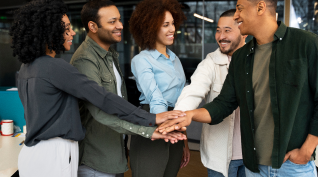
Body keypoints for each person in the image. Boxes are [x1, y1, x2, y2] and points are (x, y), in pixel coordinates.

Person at [158, 0, 318, 176]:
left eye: (239, 8)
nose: (236, 15)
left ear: (260, 7)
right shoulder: (241, 58)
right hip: (254, 167)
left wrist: (306, 151)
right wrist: (189, 115)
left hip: (293, 166)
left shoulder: (305, 43)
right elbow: (223, 104)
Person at [9, 0, 186, 176]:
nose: (72, 33)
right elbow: (103, 100)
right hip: (56, 154)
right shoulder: (57, 67)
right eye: (67, 28)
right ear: (49, 31)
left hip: (35, 152)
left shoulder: (28, 67)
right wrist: (150, 120)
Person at [70, 1, 183, 176]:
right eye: (112, 21)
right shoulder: (85, 60)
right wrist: (148, 129)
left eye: (120, 20)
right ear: (92, 26)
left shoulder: (110, 55)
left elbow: (118, 105)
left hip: (115, 152)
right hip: (97, 160)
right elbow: (100, 112)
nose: (120, 26)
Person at [174, 9, 247, 177]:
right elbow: (193, 91)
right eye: (218, 30)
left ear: (244, 32)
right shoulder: (210, 63)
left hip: (252, 155)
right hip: (220, 157)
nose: (221, 36)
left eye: (227, 30)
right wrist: (179, 116)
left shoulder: (256, 60)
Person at [128, 0, 189, 176]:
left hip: (175, 123)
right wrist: (165, 128)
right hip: (153, 121)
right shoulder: (142, 60)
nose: (172, 29)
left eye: (173, 24)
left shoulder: (174, 58)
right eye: (165, 25)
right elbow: (156, 98)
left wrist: (183, 140)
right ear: (151, 27)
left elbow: (182, 98)